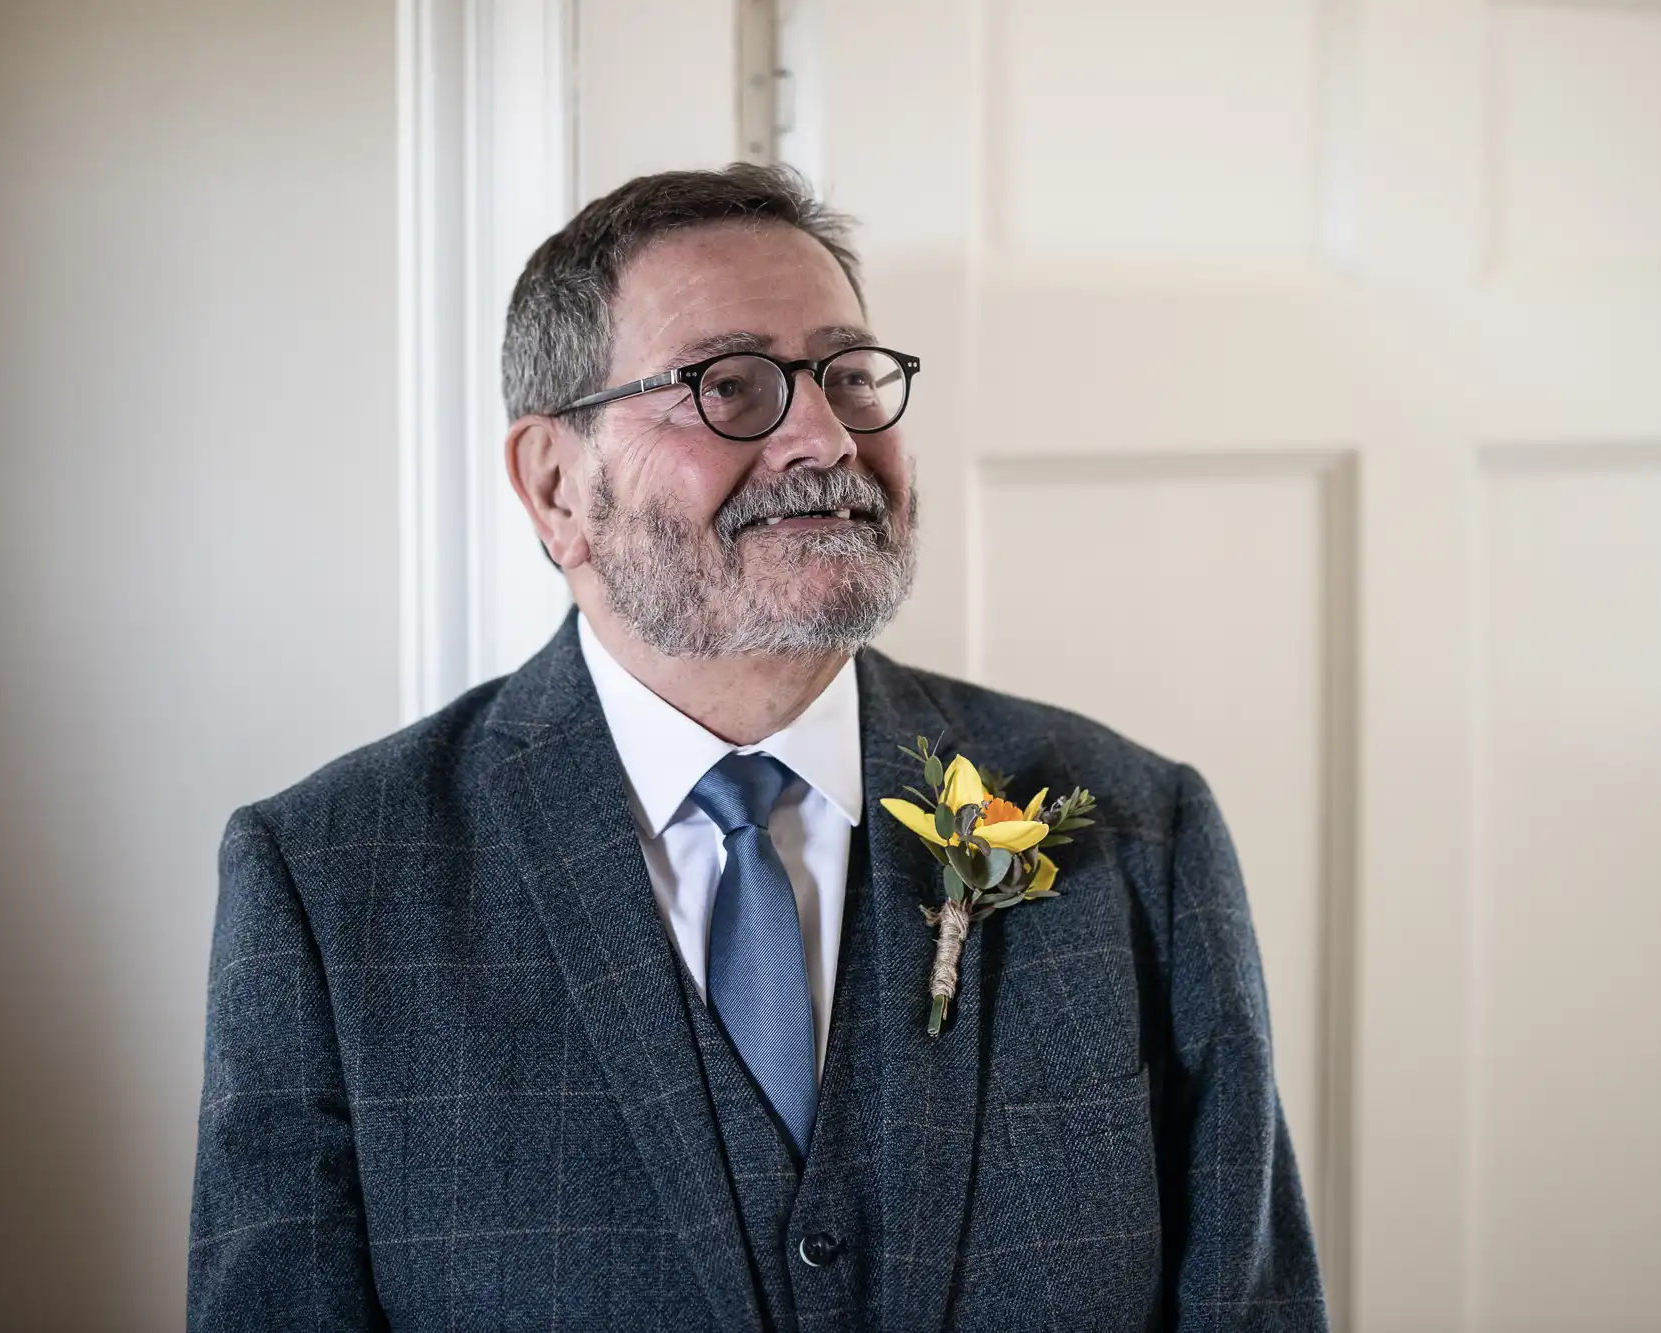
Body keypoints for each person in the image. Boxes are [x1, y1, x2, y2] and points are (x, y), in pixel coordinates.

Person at [188, 164, 1327, 1332]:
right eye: (728, 385)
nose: (823, 435)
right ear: (554, 485)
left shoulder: (1137, 828)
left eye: (849, 375)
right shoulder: (330, 881)